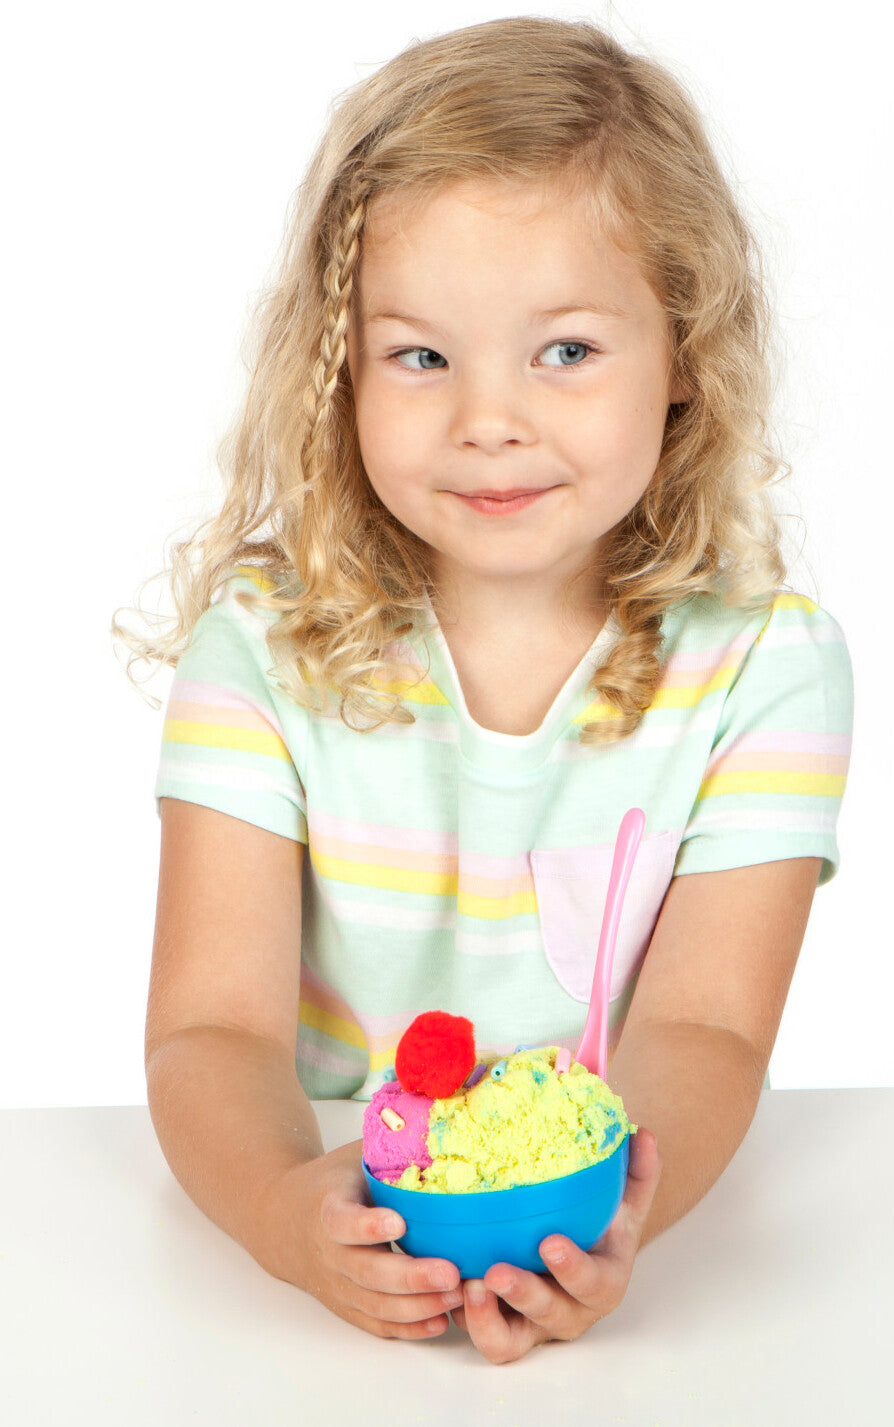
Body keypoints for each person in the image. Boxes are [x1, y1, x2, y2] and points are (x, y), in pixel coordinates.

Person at [117, 17, 853, 1363]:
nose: (489, 420)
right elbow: (210, 1027)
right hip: (324, 1257)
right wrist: (282, 1213)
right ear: (341, 366)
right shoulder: (264, 648)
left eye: (565, 351)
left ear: (684, 351)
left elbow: (705, 1027)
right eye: (421, 356)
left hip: (614, 1213)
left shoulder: (764, 668)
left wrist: (612, 1218)